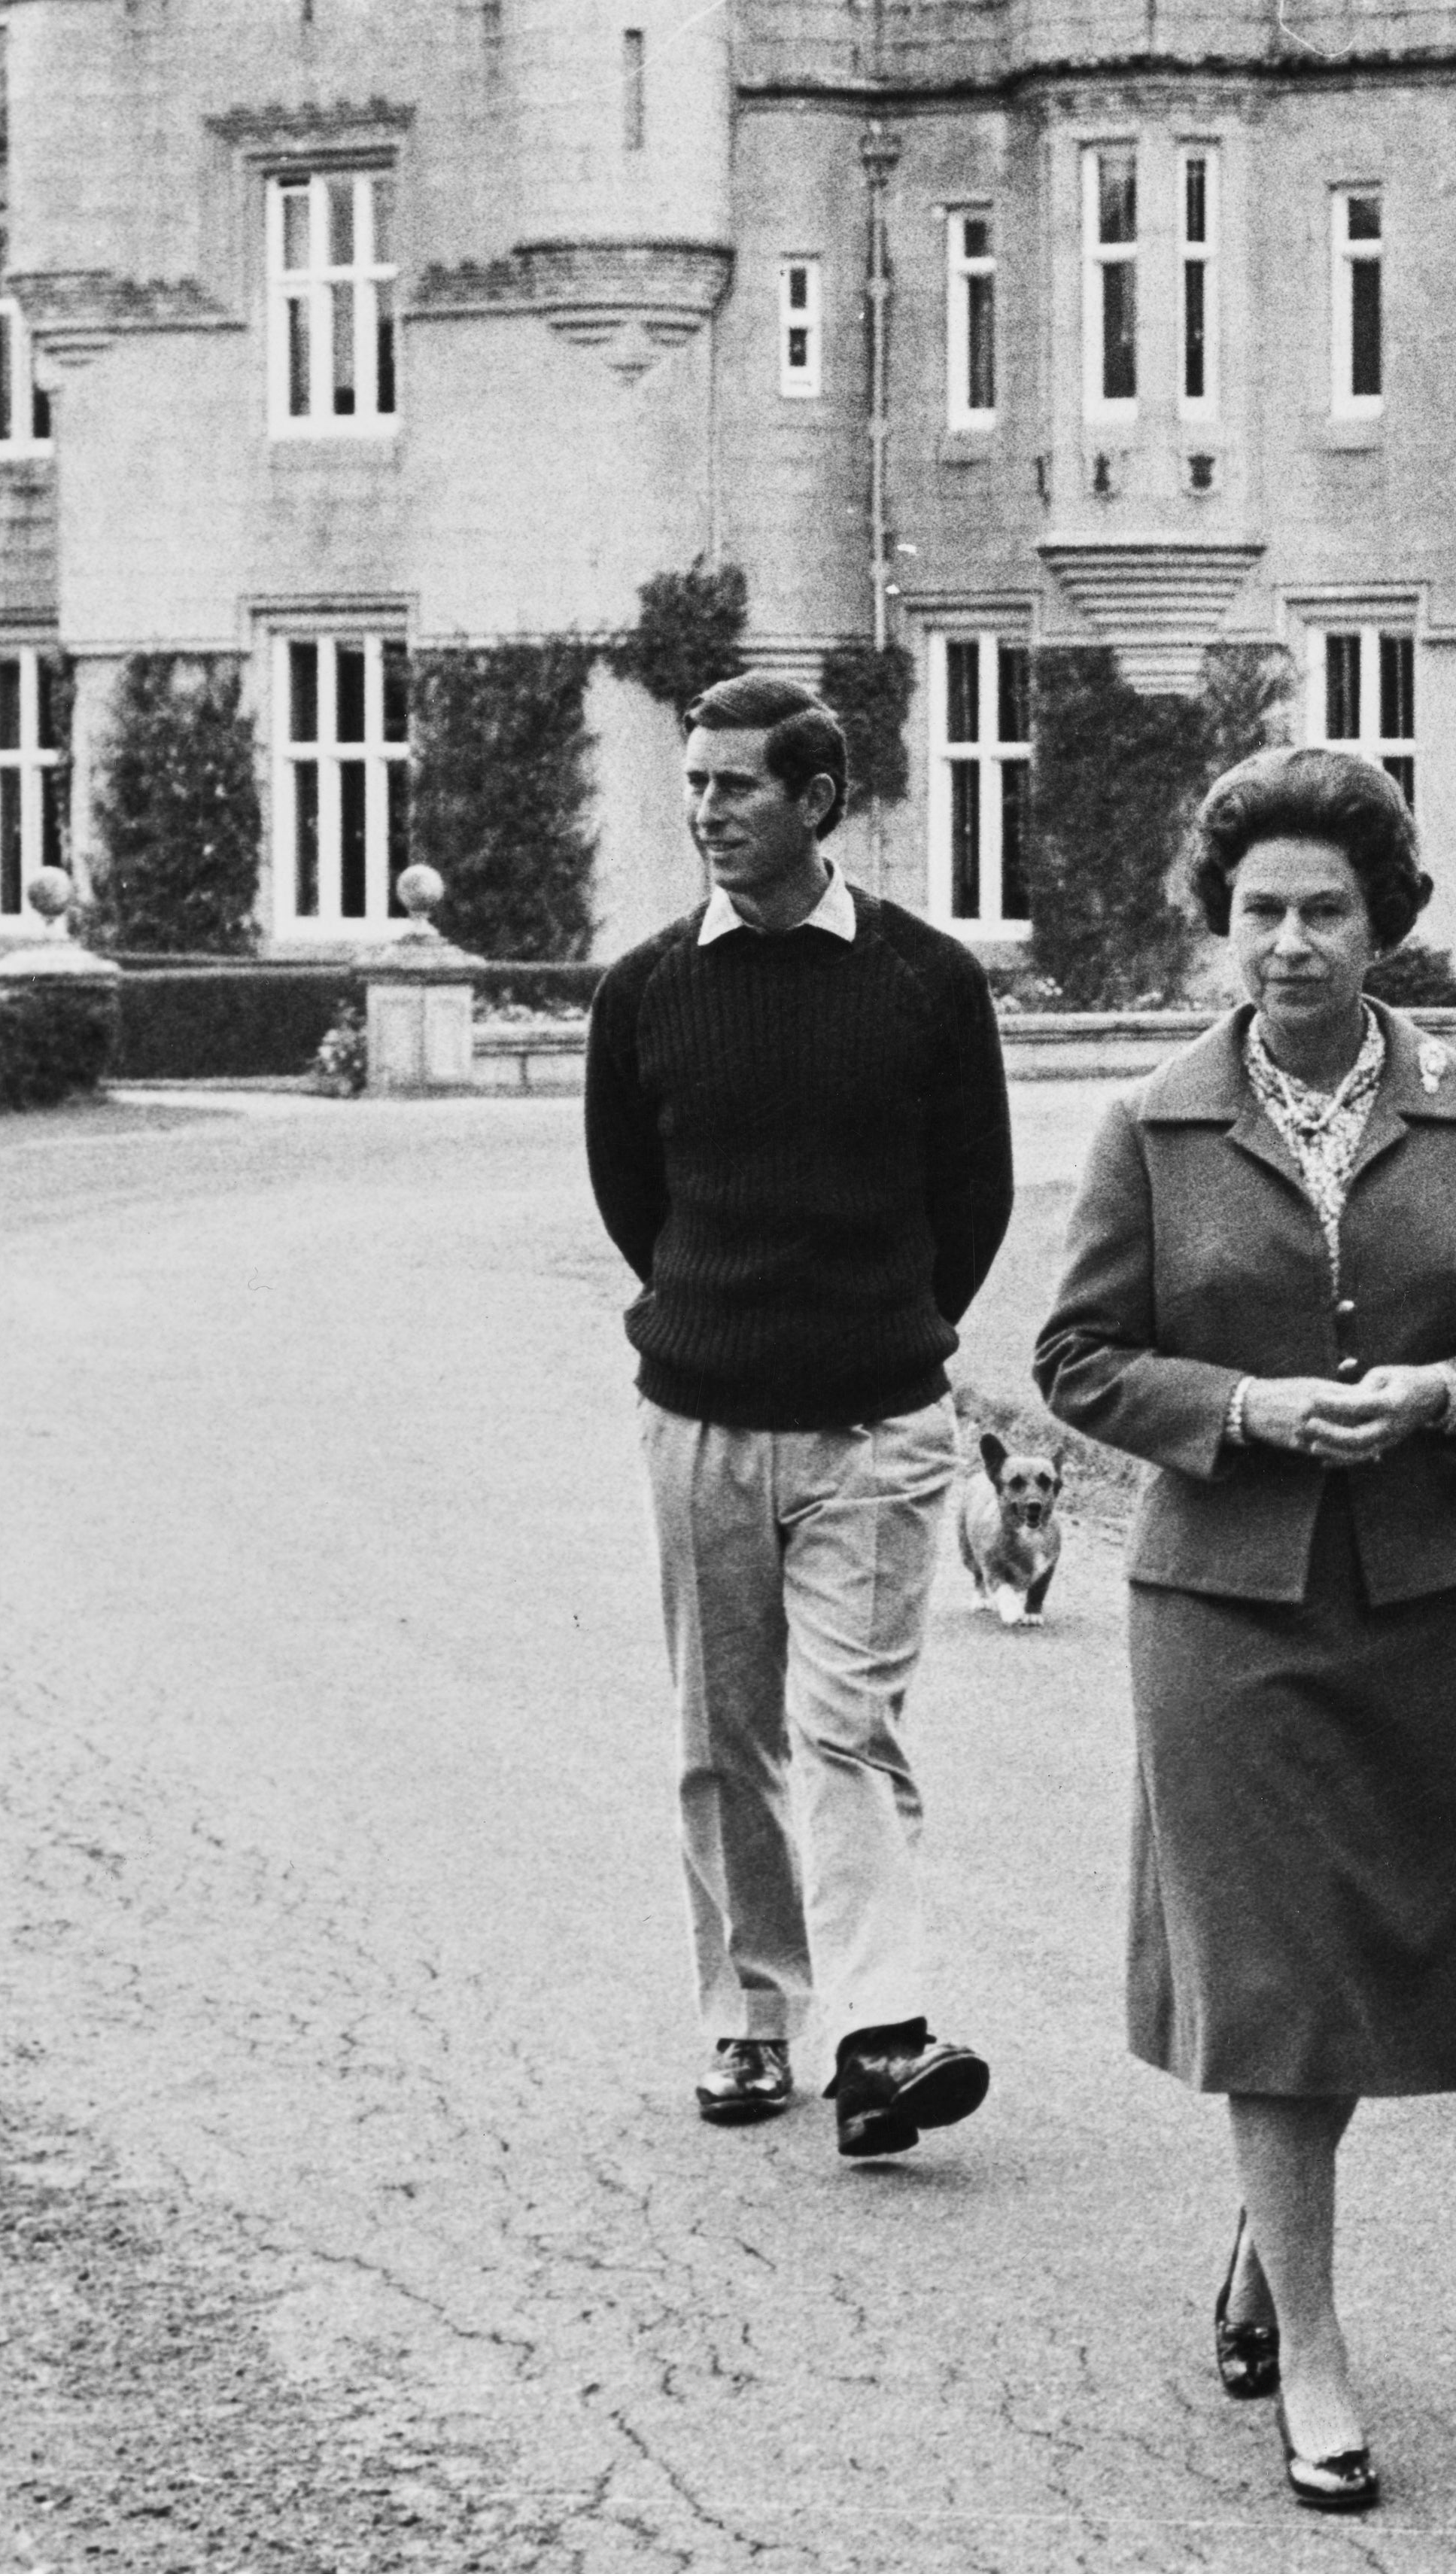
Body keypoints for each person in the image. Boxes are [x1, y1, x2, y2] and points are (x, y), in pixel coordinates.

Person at [1035, 747, 1456, 2515]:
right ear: (1224, 922)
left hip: (1411, 1587)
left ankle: (1268, 2254)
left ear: (1383, 923)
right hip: (1220, 1596)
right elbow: (1079, 1357)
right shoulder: (1153, 1120)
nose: (1289, 943)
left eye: (1324, 910)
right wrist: (1247, 1412)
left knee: (1363, 1950)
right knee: (1270, 1964)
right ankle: (1325, 2359)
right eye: (1260, 910)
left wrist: (1442, 1393)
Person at [583, 672, 1013, 2159]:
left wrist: (881, 1330)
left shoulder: (927, 984)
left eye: (737, 785)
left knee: (848, 1728)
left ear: (819, 800)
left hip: (875, 1428)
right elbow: (637, 1202)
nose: (707, 809)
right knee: (724, 1735)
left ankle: (882, 2032)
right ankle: (752, 2016)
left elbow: (977, 1200)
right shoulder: (646, 991)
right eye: (695, 784)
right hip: (702, 1418)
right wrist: (723, 1324)